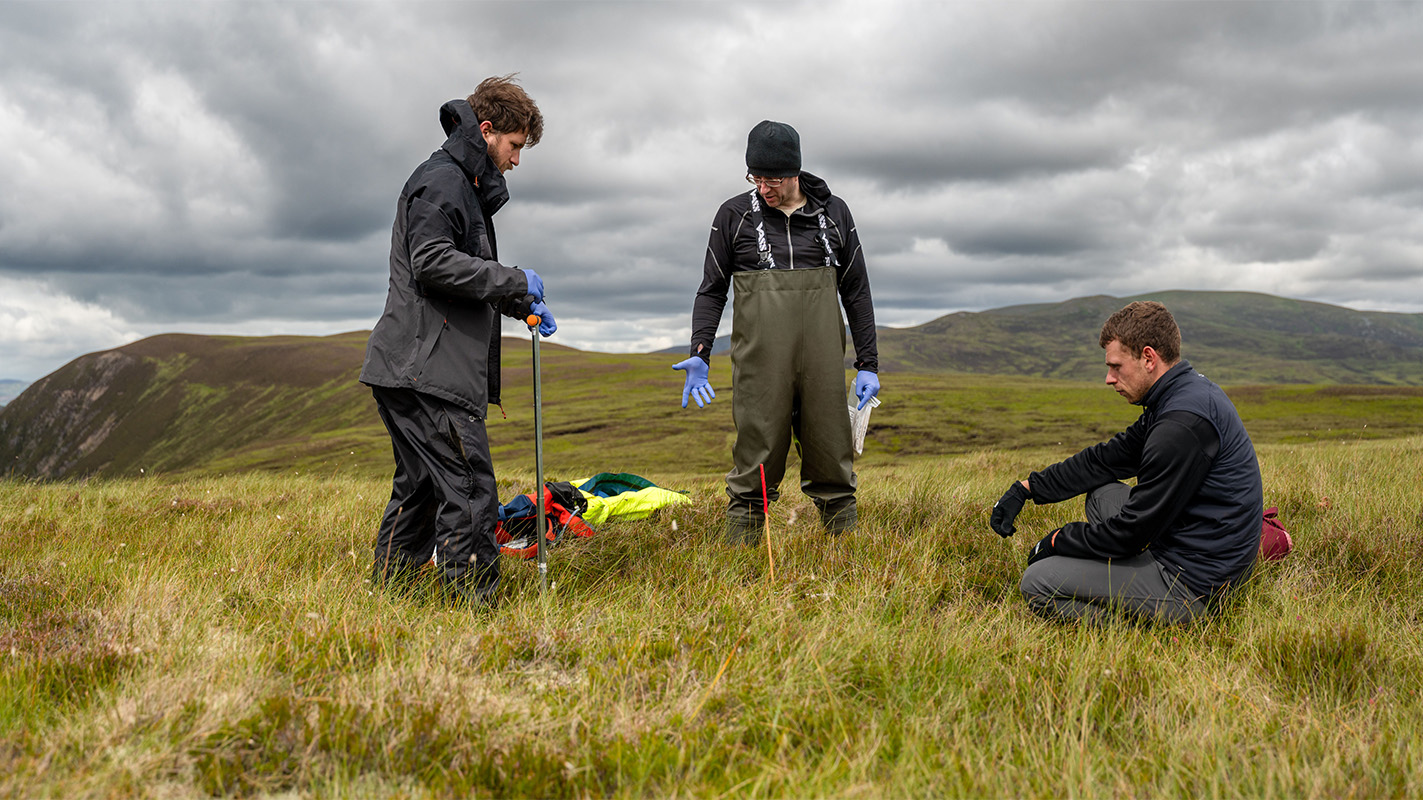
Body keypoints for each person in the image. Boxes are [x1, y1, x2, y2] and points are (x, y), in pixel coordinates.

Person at [359, 75, 556, 605]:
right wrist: (516, 279)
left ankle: (389, 597)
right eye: (515, 147)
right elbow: (431, 262)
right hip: (429, 370)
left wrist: (519, 303)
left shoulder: (462, 186)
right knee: (470, 488)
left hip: (408, 364)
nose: (517, 160)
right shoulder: (444, 180)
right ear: (487, 131)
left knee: (422, 485)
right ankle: (473, 611)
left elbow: (464, 265)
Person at [988, 301, 1262, 625]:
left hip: (1196, 583)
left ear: (1148, 358)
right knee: (1102, 492)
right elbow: (1105, 460)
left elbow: (1129, 535)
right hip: (1196, 543)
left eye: (1116, 366)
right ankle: (1132, 586)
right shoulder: (1180, 395)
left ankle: (1151, 624)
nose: (1108, 378)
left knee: (1038, 581)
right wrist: (1029, 488)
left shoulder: (1180, 425)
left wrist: (1055, 541)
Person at [673, 121, 880, 543]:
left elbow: (856, 292)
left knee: (831, 458)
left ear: (796, 172)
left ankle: (848, 557)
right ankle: (740, 561)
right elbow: (712, 289)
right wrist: (701, 351)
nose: (765, 187)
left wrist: (868, 364)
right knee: (756, 460)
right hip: (759, 365)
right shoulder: (733, 216)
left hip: (822, 365)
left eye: (774, 179)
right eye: (757, 177)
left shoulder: (835, 214)